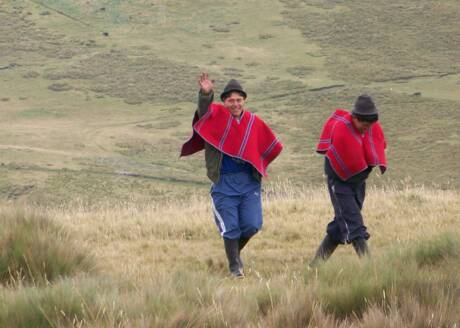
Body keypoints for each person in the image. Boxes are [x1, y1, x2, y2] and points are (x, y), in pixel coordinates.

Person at [181, 73, 282, 277]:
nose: (235, 104)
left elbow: (268, 145)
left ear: (244, 101)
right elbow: (203, 110)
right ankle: (235, 267)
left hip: (249, 183)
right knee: (231, 228)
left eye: (239, 100)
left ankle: (233, 255)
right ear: (224, 102)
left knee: (253, 225)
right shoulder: (215, 117)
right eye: (230, 100)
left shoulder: (253, 123)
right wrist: (206, 93)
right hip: (224, 183)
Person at [310, 95, 387, 266]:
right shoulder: (342, 130)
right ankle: (371, 268)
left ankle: (314, 267)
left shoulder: (372, 128)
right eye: (362, 126)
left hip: (359, 182)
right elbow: (343, 160)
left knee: (341, 223)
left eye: (368, 127)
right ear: (355, 118)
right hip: (339, 182)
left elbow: (377, 147)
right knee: (354, 223)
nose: (364, 130)